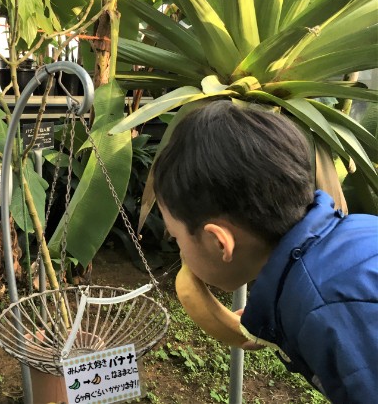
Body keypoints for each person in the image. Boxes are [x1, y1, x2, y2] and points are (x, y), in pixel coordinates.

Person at [152, 100, 378, 403]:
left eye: (177, 238)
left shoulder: (328, 311)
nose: (179, 251)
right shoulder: (356, 233)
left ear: (220, 242)